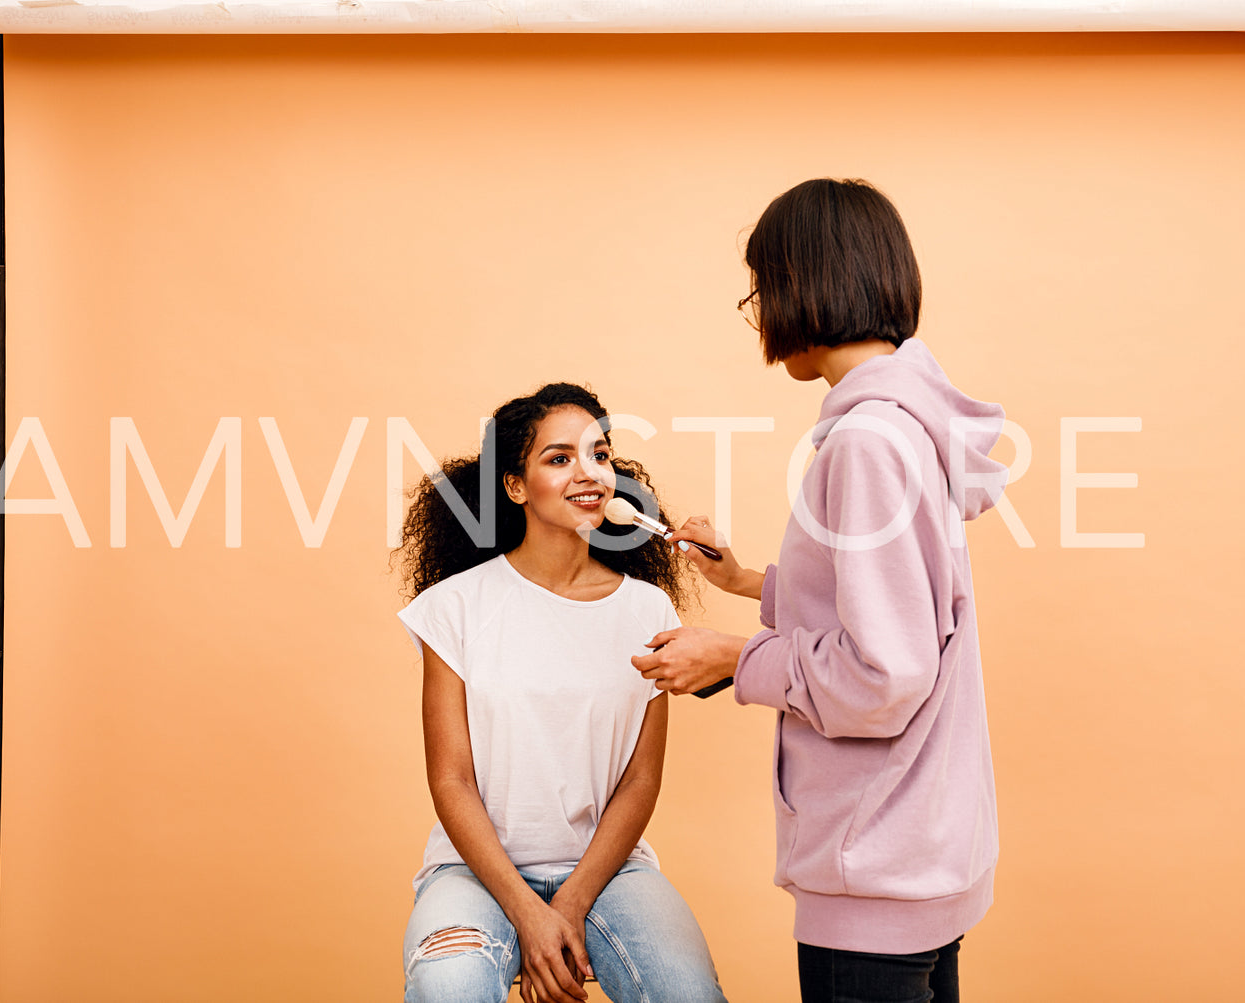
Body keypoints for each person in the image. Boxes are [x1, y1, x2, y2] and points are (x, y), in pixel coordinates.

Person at [633, 178, 1007, 1003]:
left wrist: (733, 658)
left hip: (875, 860)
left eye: (759, 289)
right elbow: (905, 610)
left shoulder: (865, 443)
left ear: (801, 285)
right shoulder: (906, 423)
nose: (759, 314)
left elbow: (884, 676)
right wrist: (744, 582)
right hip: (920, 849)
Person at [394, 382, 727, 1003]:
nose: (590, 474)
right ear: (514, 486)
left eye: (600, 455)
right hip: (472, 872)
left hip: (610, 871)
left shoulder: (648, 609)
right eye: (559, 458)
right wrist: (528, 912)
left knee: (690, 994)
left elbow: (640, 781)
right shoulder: (453, 609)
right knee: (448, 986)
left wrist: (570, 902)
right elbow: (452, 781)